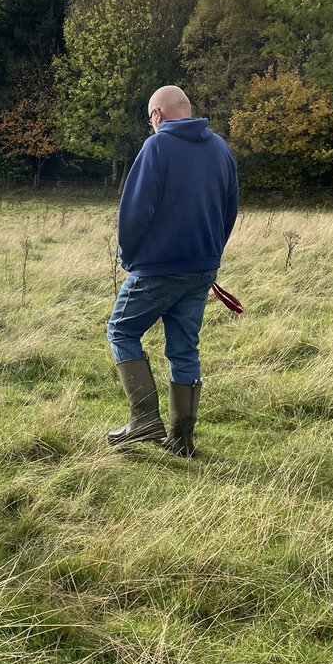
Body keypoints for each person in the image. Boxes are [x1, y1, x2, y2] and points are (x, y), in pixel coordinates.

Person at [106, 85, 238, 456]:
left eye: (150, 119)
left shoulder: (158, 146)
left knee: (121, 330)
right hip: (202, 267)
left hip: (157, 267)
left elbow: (134, 211)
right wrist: (210, 256)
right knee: (184, 350)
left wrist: (128, 257)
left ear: (158, 116)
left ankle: (144, 422)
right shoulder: (221, 149)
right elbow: (229, 212)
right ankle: (181, 440)